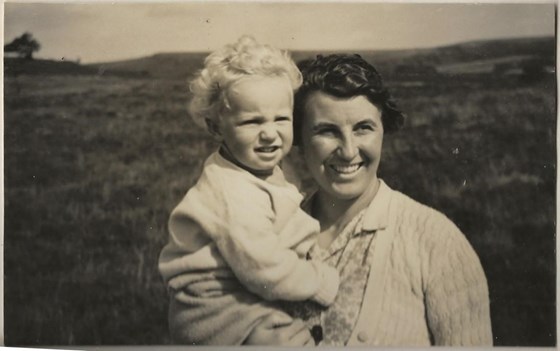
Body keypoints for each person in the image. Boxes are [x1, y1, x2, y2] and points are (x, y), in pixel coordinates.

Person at [245, 53, 493, 346]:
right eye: (327, 130)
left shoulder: (438, 244)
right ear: (297, 138)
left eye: (363, 128)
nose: (349, 151)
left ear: (383, 130)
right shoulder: (266, 233)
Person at [158, 36, 339, 345]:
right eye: (251, 122)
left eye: (281, 118)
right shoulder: (231, 192)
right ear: (216, 127)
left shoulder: (256, 168)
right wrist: (320, 282)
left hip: (237, 290)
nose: (270, 133)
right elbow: (263, 268)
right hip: (214, 309)